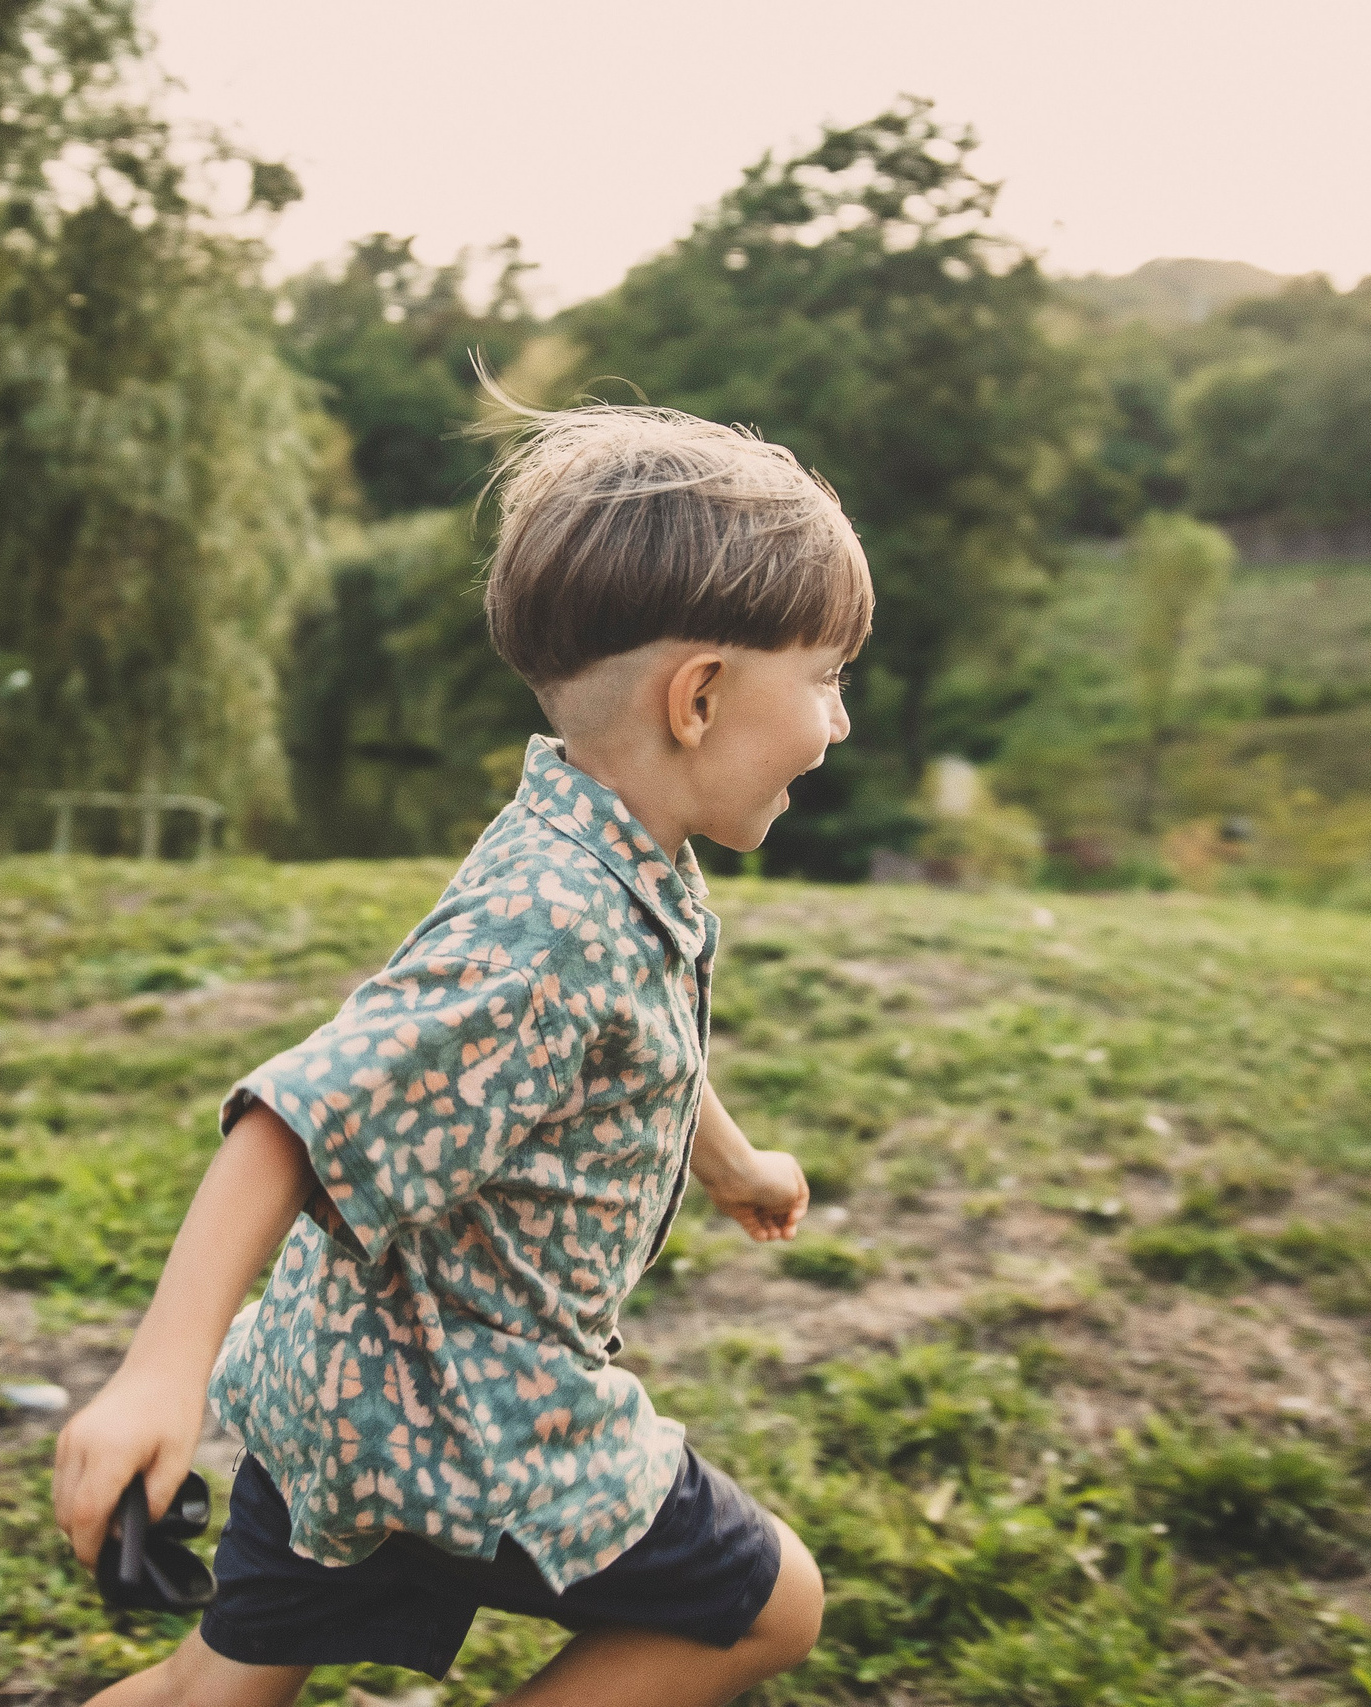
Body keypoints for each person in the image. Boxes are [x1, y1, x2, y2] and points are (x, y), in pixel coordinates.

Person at [52, 403, 874, 1707]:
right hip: (471, 1415)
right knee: (769, 1600)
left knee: (214, 1687)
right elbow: (295, 1118)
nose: (840, 723)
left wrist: (732, 1161)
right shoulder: (547, 919)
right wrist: (160, 1369)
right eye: (827, 675)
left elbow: (634, 1036)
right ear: (701, 695)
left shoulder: (605, 848)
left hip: (328, 1382)